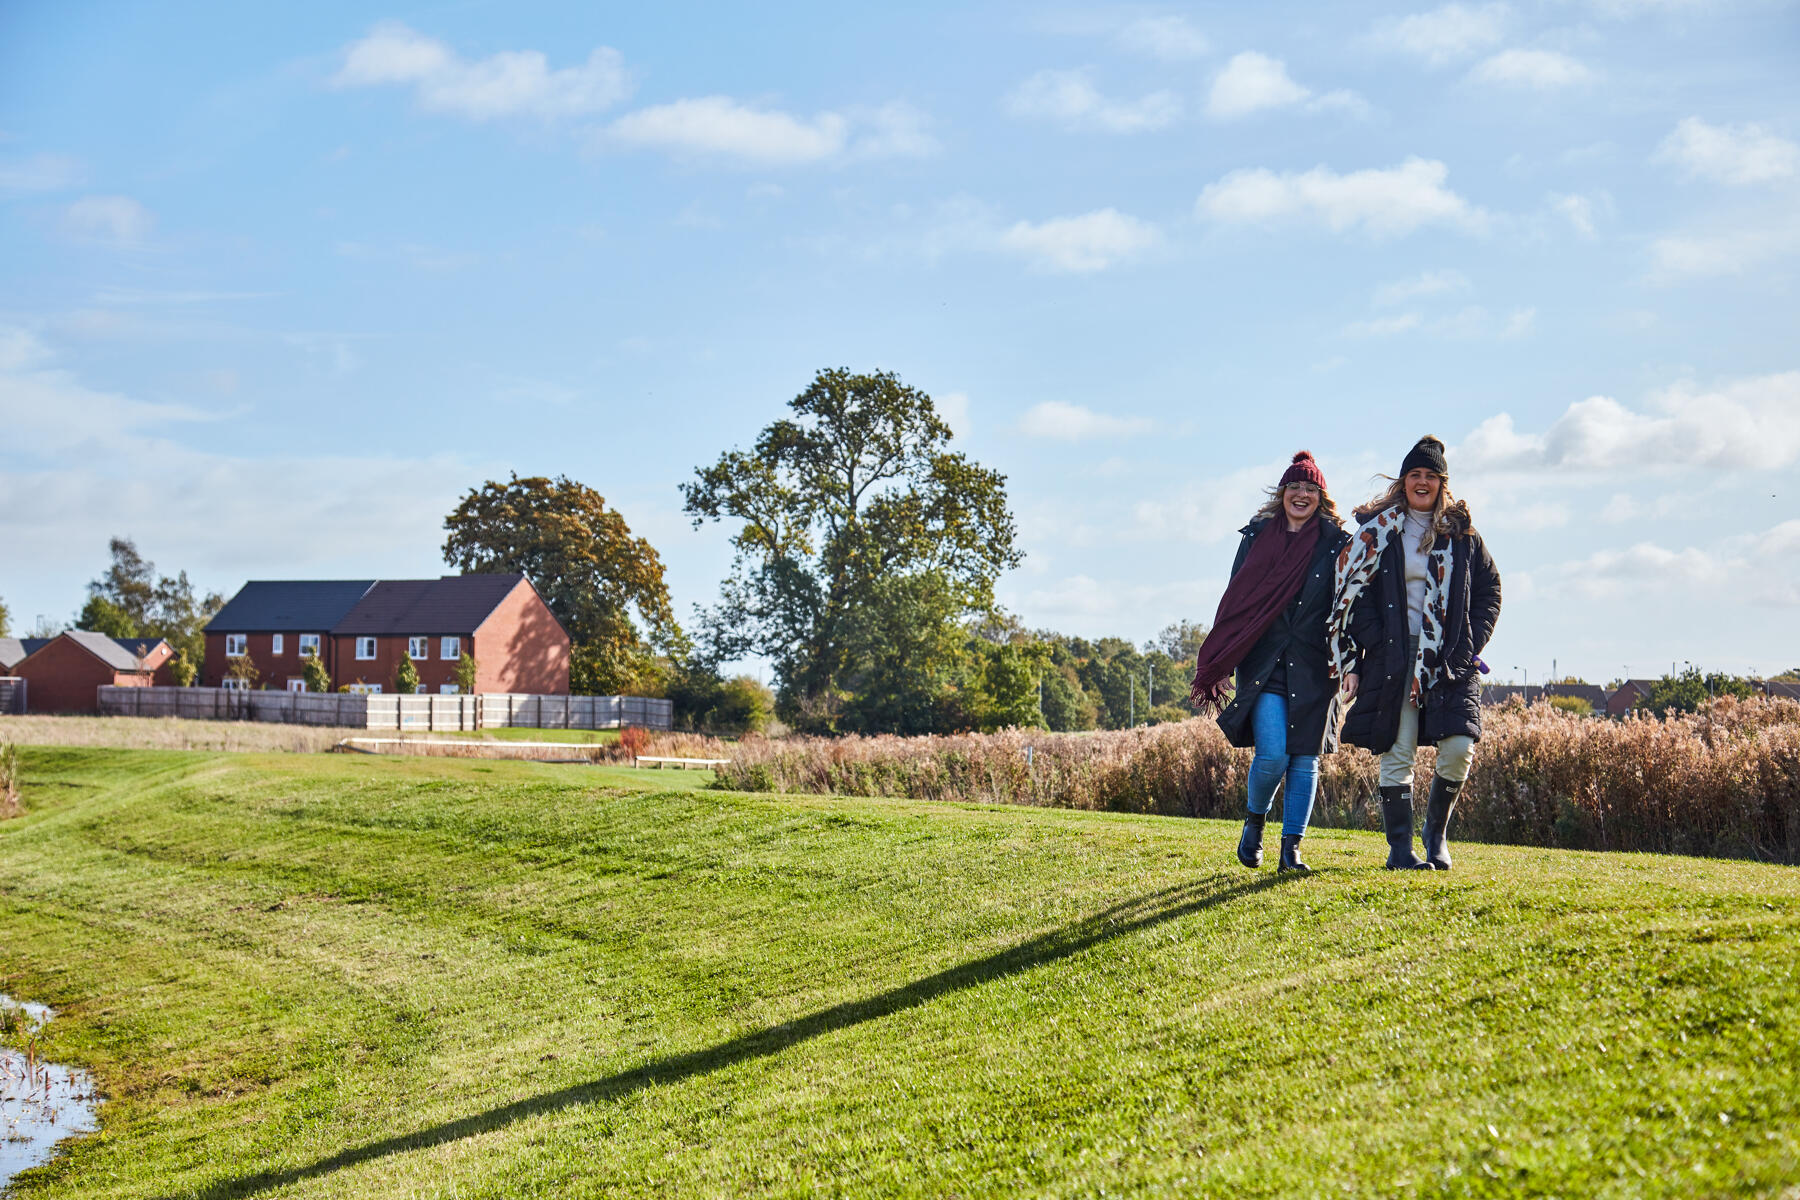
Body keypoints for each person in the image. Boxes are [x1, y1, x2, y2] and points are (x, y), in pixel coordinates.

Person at [1330, 435, 1501, 870]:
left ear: (1442, 483)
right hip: (1393, 657)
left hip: (1450, 657)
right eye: (1415, 475)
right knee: (1397, 749)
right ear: (1403, 481)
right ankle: (1400, 849)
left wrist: (1469, 640)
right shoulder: (1379, 531)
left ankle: (1435, 835)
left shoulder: (1464, 536)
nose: (1422, 482)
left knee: (1461, 746)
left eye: (1431, 476)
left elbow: (1489, 591)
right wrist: (1377, 640)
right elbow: (1355, 595)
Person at [1190, 451, 1350, 873]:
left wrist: (1351, 659)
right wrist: (1223, 654)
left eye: (1310, 488)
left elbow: (1351, 601)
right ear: (1282, 493)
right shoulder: (1257, 537)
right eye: (1295, 486)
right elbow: (1236, 600)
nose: (1301, 494)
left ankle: (1291, 850)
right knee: (1274, 754)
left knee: (1306, 759)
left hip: (1316, 665)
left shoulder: (1337, 543)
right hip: (1264, 662)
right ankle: (1254, 824)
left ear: (1321, 497)